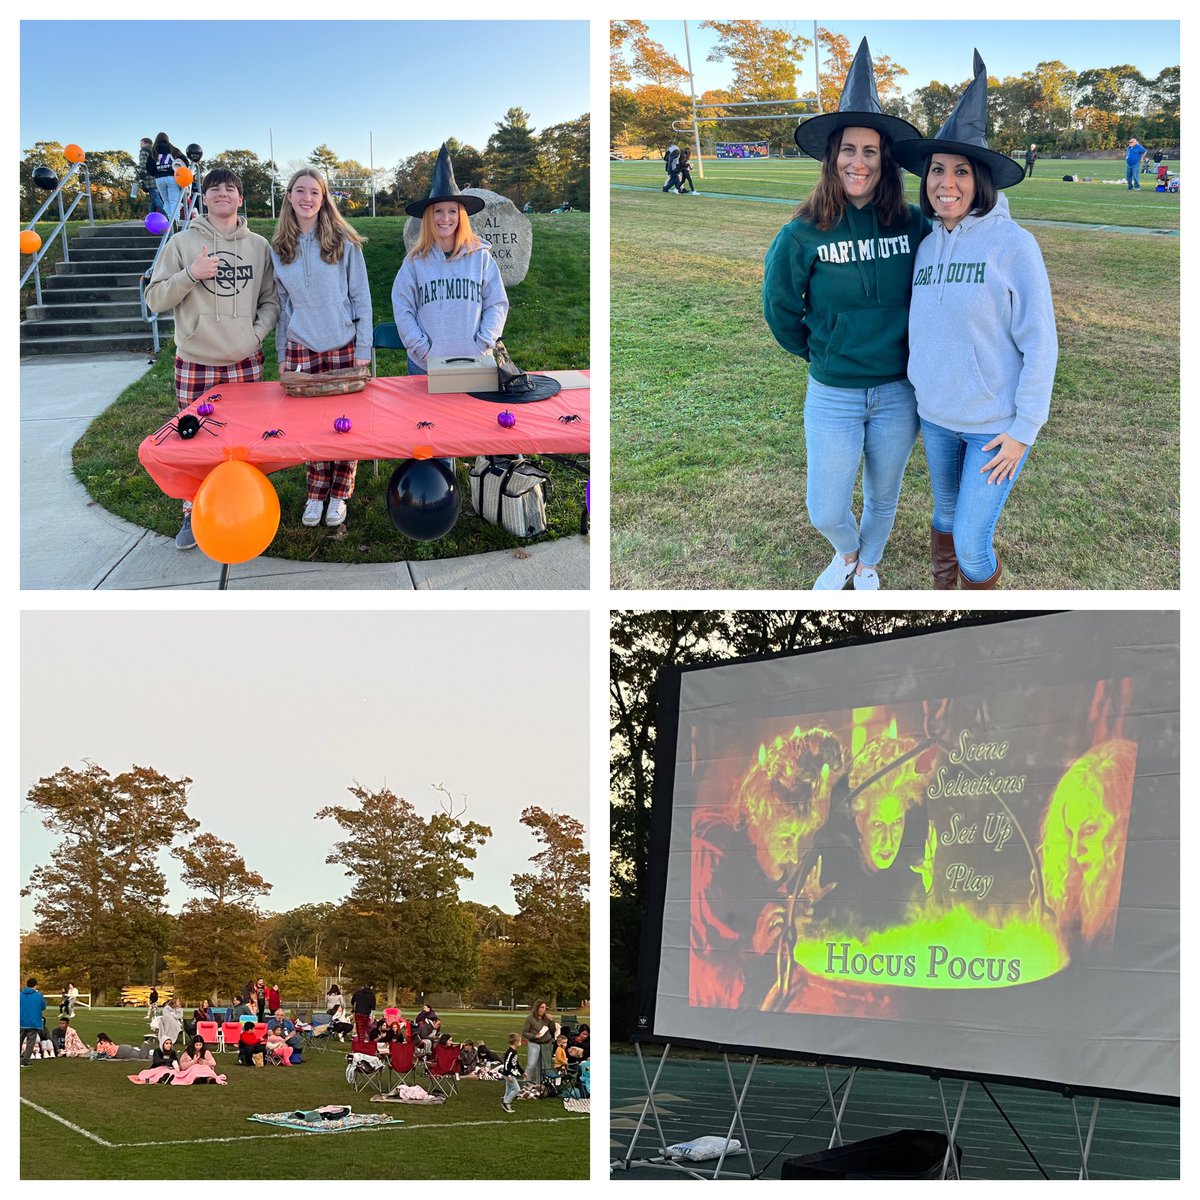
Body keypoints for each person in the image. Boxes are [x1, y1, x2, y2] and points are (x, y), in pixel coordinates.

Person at [763, 38, 929, 590]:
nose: (859, 162)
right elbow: (782, 310)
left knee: (885, 494)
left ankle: (866, 564)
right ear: (833, 156)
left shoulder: (912, 226)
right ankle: (846, 551)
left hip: (899, 390)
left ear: (885, 162)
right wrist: (824, 349)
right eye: (849, 150)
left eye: (871, 151)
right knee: (826, 507)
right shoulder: (802, 233)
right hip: (833, 390)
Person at [894, 53, 1058, 589]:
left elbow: (1041, 343)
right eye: (937, 169)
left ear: (980, 178)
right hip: (937, 418)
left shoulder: (1014, 245)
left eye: (961, 170)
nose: (947, 182)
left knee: (970, 539)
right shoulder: (925, 245)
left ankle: (980, 615)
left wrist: (1023, 432)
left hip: (994, 430)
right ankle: (944, 604)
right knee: (944, 519)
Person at [145, 166, 279, 550]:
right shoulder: (182, 244)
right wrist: (191, 274)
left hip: (243, 358)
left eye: (231, 188)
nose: (223, 193)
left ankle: (247, 509)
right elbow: (154, 299)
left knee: (246, 440)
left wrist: (256, 334)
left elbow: (271, 300)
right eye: (215, 188)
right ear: (204, 197)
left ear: (240, 198)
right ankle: (194, 512)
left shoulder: (258, 246)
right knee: (194, 441)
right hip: (196, 359)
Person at [690, 727, 847, 1009]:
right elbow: (699, 989)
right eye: (787, 839)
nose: (795, 857)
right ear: (757, 822)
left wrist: (796, 909)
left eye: (802, 840)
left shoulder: (770, 873)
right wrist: (754, 954)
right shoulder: (705, 863)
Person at [271, 167, 372, 529]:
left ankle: (340, 493)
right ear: (289, 197)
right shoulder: (279, 247)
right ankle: (316, 492)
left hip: (344, 344)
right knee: (312, 426)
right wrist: (283, 354)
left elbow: (362, 297)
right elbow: (282, 308)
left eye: (315, 192)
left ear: (324, 197)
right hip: (302, 346)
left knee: (345, 425)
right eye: (300, 191)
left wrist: (365, 346)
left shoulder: (344, 241)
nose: (307, 198)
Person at [391, 143, 509, 382]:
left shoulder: (481, 257)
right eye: (438, 211)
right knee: (425, 420)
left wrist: (483, 342)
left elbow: (496, 304)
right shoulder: (415, 262)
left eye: (452, 211)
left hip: (475, 361)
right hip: (425, 365)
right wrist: (422, 349)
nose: (445, 218)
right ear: (428, 217)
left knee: (473, 419)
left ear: (461, 216)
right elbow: (403, 308)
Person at [1039, 738, 1136, 949]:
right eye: (1069, 832)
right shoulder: (1071, 906)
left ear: (1124, 823)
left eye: (1090, 831)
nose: (1074, 851)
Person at [151, 132, 187, 223]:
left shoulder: (154, 151)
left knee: (166, 201)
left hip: (159, 179)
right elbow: (185, 161)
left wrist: (155, 173)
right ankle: (175, 220)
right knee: (174, 200)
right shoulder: (173, 149)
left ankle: (168, 220)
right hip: (173, 177)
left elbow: (149, 167)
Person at [521, 1000, 554, 1084]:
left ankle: (540, 1083)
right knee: (531, 1064)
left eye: (545, 1008)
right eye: (542, 1007)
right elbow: (525, 1032)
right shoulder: (530, 1018)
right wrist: (533, 1036)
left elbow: (552, 1030)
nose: (544, 1010)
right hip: (534, 1043)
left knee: (543, 1065)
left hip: (546, 1043)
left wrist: (551, 1021)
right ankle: (527, 1082)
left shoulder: (546, 1018)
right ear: (537, 1008)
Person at [20, 977, 46, 1066]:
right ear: (35, 985)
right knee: (30, 1043)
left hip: (20, 1021)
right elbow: (43, 1006)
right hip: (33, 1022)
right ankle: (25, 1061)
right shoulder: (38, 995)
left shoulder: (20, 995)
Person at [500, 1033, 523, 1114]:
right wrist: (509, 1074)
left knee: (509, 1088)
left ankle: (505, 1102)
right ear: (515, 1042)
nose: (521, 1042)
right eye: (520, 1041)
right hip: (508, 1074)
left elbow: (516, 1063)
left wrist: (522, 1072)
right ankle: (506, 1102)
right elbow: (506, 1063)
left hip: (510, 1073)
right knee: (517, 1089)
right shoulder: (510, 1052)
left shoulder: (514, 1051)